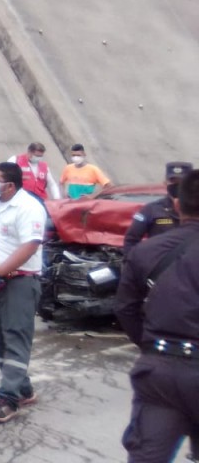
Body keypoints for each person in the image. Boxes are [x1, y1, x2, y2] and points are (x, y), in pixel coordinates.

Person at [115, 168, 199, 462]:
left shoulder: (146, 252)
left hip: (158, 372)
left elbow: (125, 308)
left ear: (177, 205)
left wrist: (151, 347)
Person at [0, 162, 47, 423]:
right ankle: (23, 388)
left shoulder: (29, 207)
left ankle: (8, 398)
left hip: (18, 281)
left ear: (10, 185)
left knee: (15, 337)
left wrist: (2, 271)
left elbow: (30, 246)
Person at [123, 161, 193, 258]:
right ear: (165, 183)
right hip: (160, 266)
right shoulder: (151, 210)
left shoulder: (196, 211)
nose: (177, 185)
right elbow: (131, 239)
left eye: (182, 181)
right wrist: (134, 265)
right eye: (173, 181)